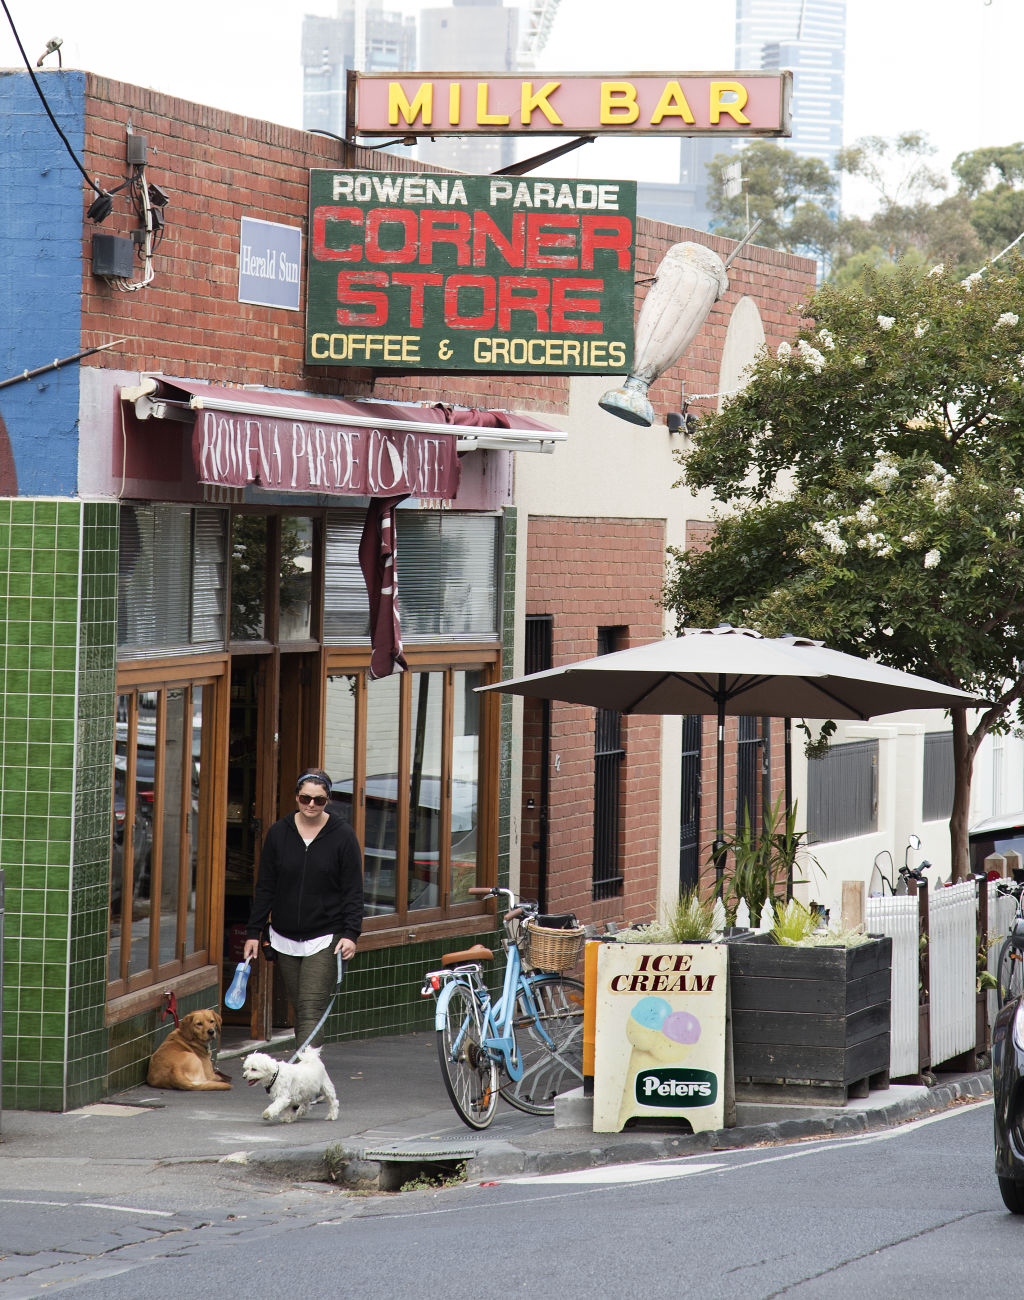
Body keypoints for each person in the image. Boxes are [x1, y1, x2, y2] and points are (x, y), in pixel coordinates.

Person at [244, 769, 363, 1051]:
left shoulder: (343, 836)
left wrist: (351, 934)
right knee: (302, 1006)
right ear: (296, 797)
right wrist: (253, 932)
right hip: (284, 937)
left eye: (319, 800)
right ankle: (309, 1076)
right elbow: (265, 888)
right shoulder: (278, 833)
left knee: (310, 1008)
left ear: (328, 801)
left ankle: (304, 1078)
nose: (311, 805)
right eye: (305, 798)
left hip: (325, 937)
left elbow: (353, 890)